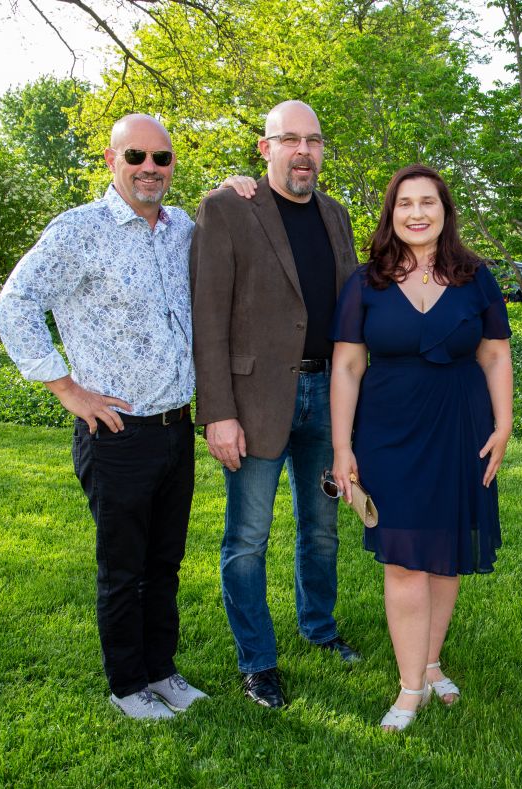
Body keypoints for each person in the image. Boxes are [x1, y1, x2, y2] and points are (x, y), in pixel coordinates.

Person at [0, 114, 207, 720]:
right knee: (124, 568)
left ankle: (161, 670)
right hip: (115, 434)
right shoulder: (78, 230)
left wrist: (238, 187)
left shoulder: (182, 229)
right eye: (136, 155)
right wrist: (66, 388)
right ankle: (127, 684)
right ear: (112, 160)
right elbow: (15, 303)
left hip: (175, 427)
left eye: (161, 157)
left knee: (164, 564)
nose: (150, 168)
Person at [329, 164, 513, 732]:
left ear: (444, 211)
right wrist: (342, 447)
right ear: (391, 214)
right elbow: (347, 366)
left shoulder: (475, 276)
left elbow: (495, 353)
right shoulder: (366, 282)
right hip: (388, 432)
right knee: (406, 558)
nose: (416, 213)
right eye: (405, 203)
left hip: (461, 426)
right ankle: (410, 689)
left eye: (428, 202)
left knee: (445, 550)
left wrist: (504, 424)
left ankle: (431, 664)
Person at [191, 101, 361, 710]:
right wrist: (218, 411)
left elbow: (351, 311)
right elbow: (208, 317)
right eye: (290, 139)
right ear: (265, 149)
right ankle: (258, 662)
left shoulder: (336, 216)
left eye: (313, 140)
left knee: (322, 529)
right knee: (248, 537)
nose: (303, 151)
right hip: (255, 403)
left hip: (326, 396)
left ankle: (319, 627)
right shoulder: (227, 208)